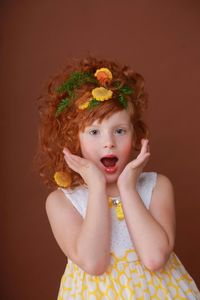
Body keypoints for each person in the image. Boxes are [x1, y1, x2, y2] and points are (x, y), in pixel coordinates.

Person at [35, 56, 200, 299]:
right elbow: (93, 263)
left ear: (135, 135)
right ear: (73, 140)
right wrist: (97, 187)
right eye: (94, 132)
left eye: (120, 131)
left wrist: (128, 188)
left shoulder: (157, 187)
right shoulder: (62, 202)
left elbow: (155, 258)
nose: (109, 143)